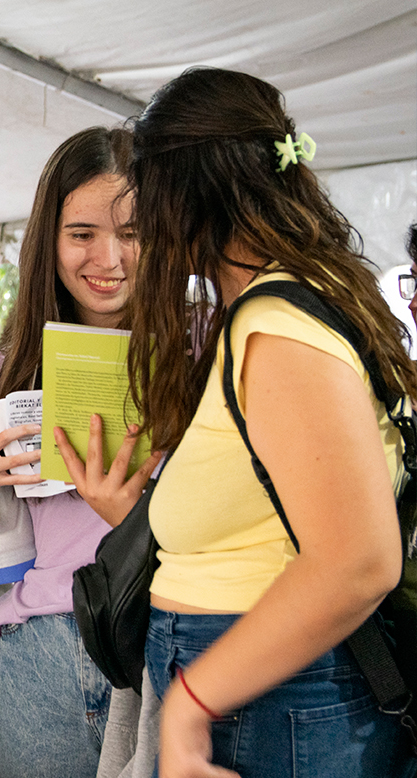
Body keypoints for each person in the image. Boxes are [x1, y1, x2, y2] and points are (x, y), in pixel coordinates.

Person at [97, 67, 417, 777]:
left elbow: (357, 561)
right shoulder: (299, 297)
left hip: (270, 700)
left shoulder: (276, 325)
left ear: (189, 192)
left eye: (148, 197)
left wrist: (189, 705)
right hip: (268, 690)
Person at [0, 127, 158, 777]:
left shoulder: (196, 366)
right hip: (40, 653)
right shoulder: (1, 378)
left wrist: (131, 511)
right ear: (48, 242)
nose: (108, 258)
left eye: (133, 233)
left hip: (157, 636)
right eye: (82, 233)